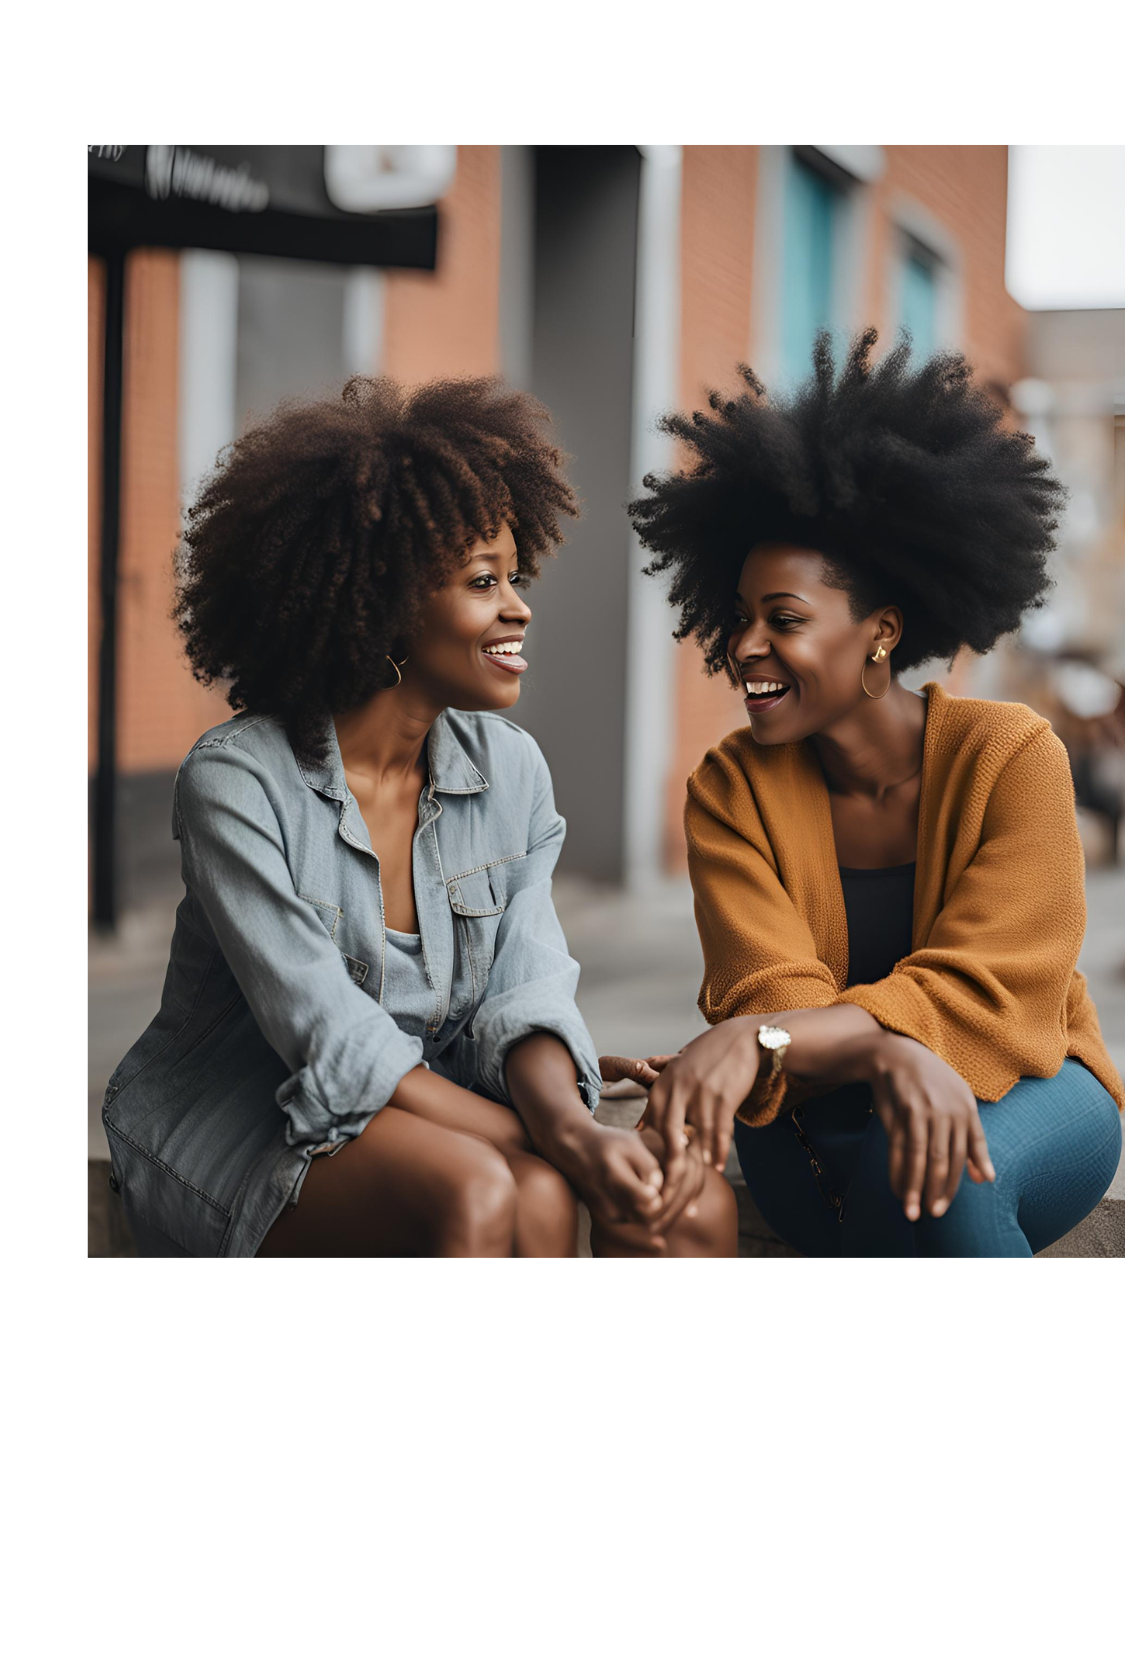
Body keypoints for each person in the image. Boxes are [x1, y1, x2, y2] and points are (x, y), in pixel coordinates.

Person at [102, 374, 735, 1259]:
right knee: (486, 1188)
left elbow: (527, 988)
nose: (518, 606)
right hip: (241, 1123)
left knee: (547, 1192)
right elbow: (333, 1040)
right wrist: (569, 1138)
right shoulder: (237, 783)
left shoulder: (508, 771)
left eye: (517, 576)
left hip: (426, 1104)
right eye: (484, 582)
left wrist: (569, 1130)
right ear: (389, 606)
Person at [627, 330, 1125, 1258]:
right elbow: (765, 993)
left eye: (784, 621)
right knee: (911, 1162)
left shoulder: (1011, 757)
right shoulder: (731, 789)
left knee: (936, 1166)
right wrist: (882, 1050)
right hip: (812, 1125)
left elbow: (996, 991)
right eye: (737, 619)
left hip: (1028, 1085)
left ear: (880, 633)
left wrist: (784, 1039)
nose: (743, 647)